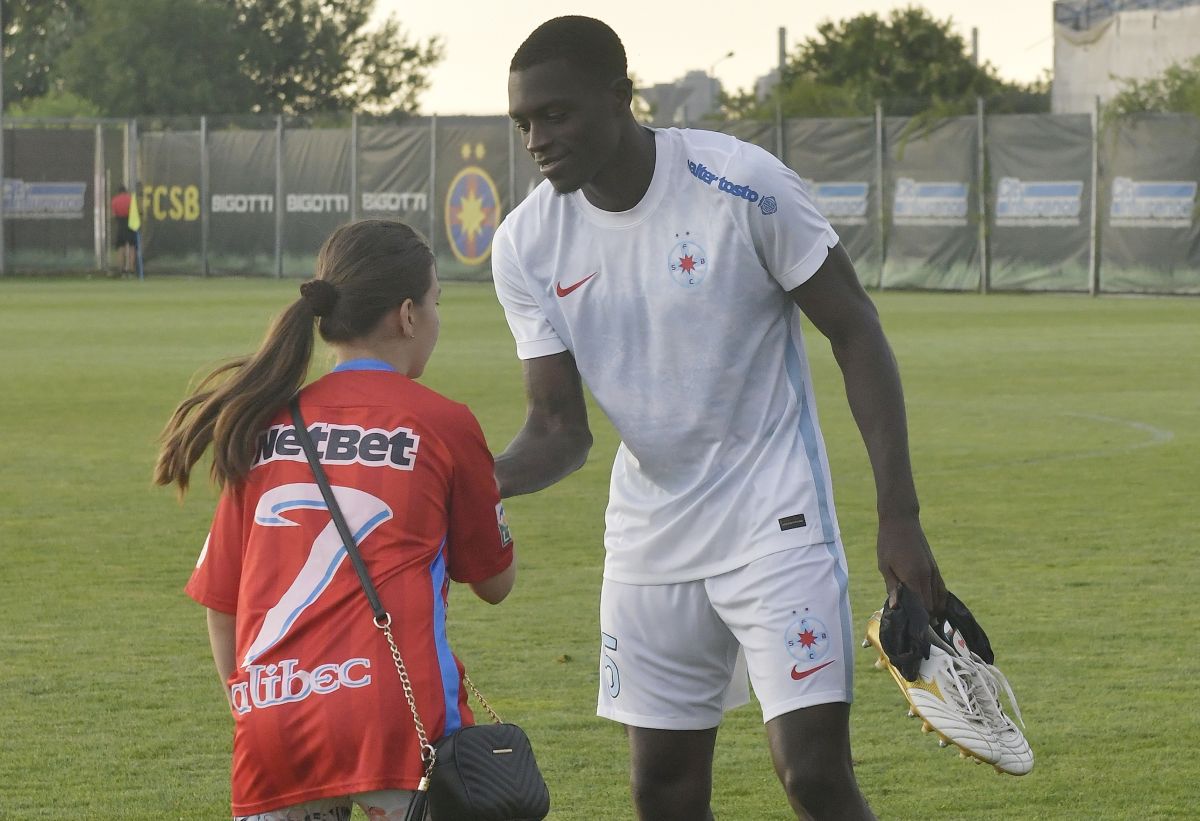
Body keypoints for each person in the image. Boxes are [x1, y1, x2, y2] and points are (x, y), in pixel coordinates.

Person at [491, 16, 947, 821]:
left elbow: (856, 329)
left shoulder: (741, 181)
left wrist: (899, 516)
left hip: (776, 520)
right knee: (660, 791)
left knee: (813, 775)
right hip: (649, 542)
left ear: (619, 97)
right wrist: (469, 481)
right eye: (524, 122)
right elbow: (559, 429)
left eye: (556, 114)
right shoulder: (526, 243)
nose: (537, 139)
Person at [155, 219, 517, 820]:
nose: (434, 319)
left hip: (274, 724)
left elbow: (223, 609)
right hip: (395, 724)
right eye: (435, 302)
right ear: (406, 315)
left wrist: (257, 709)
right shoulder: (444, 423)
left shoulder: (265, 423)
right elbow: (495, 584)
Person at [110, 184, 136, 273]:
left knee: (121, 247)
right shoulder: (130, 199)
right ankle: (131, 268)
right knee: (132, 246)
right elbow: (134, 212)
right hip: (130, 223)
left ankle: (120, 268)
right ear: (126, 191)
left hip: (120, 223)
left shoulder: (114, 200)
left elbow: (113, 215)